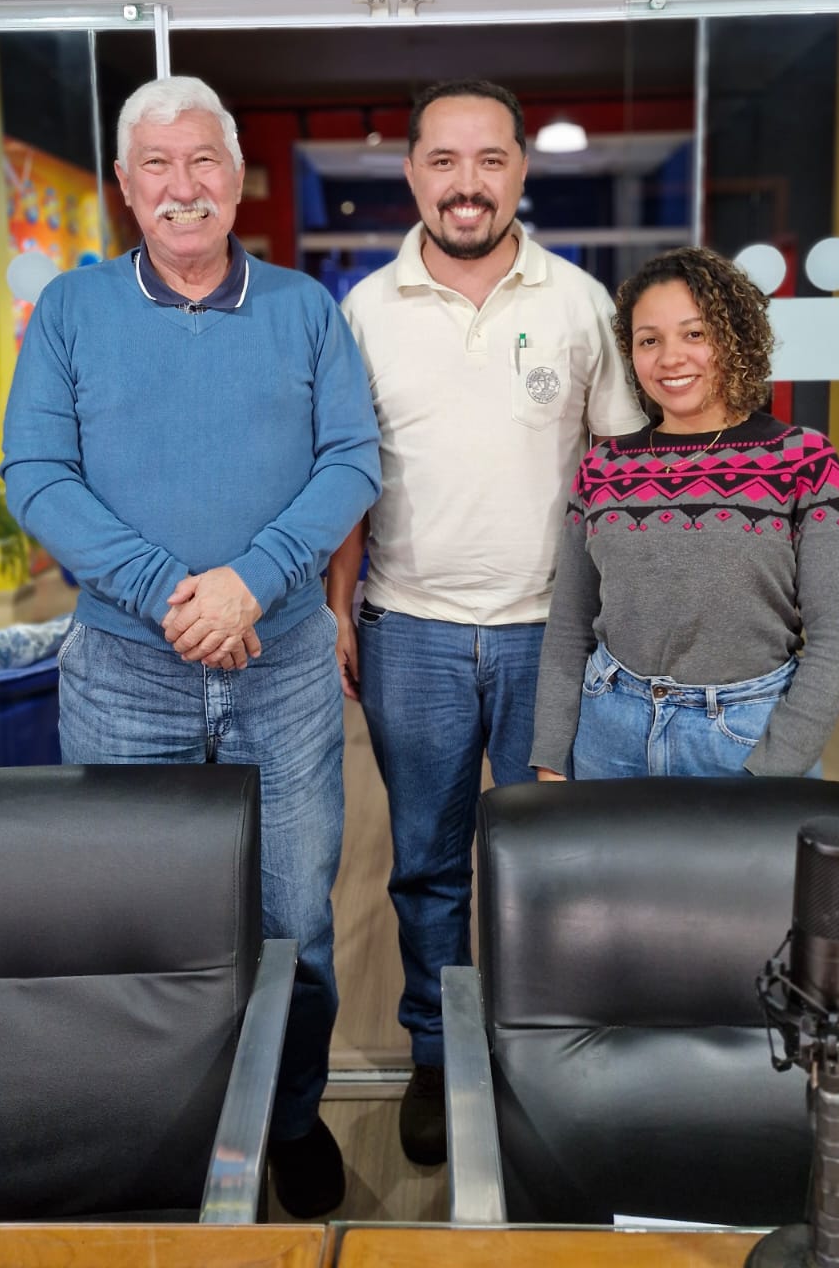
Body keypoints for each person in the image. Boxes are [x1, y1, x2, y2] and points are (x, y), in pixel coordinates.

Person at [1, 75, 381, 1219]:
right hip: (124, 672)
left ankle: (293, 1116)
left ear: (237, 177)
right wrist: (170, 591)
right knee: (140, 915)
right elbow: (36, 475)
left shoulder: (305, 310)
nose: (183, 186)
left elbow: (352, 461)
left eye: (203, 160)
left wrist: (252, 581)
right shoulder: (71, 310)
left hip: (285, 668)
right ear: (126, 186)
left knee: (296, 917)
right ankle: (163, 1122)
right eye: (158, 165)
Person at [326, 79, 644, 1165]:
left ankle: (543, 1052)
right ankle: (437, 1052)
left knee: (550, 860)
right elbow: (347, 479)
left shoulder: (580, 305)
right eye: (445, 160)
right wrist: (338, 608)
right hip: (408, 629)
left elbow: (618, 477)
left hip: (549, 633)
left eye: (491, 159)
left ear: (520, 169)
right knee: (425, 864)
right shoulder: (364, 312)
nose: (468, 183)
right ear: (413, 172)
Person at [530, 244, 839, 783]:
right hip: (610, 731)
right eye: (650, 340)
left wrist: (774, 769)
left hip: (748, 738)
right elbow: (570, 626)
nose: (670, 358)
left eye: (695, 334)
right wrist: (551, 757)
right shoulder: (602, 467)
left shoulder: (803, 459)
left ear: (735, 338)